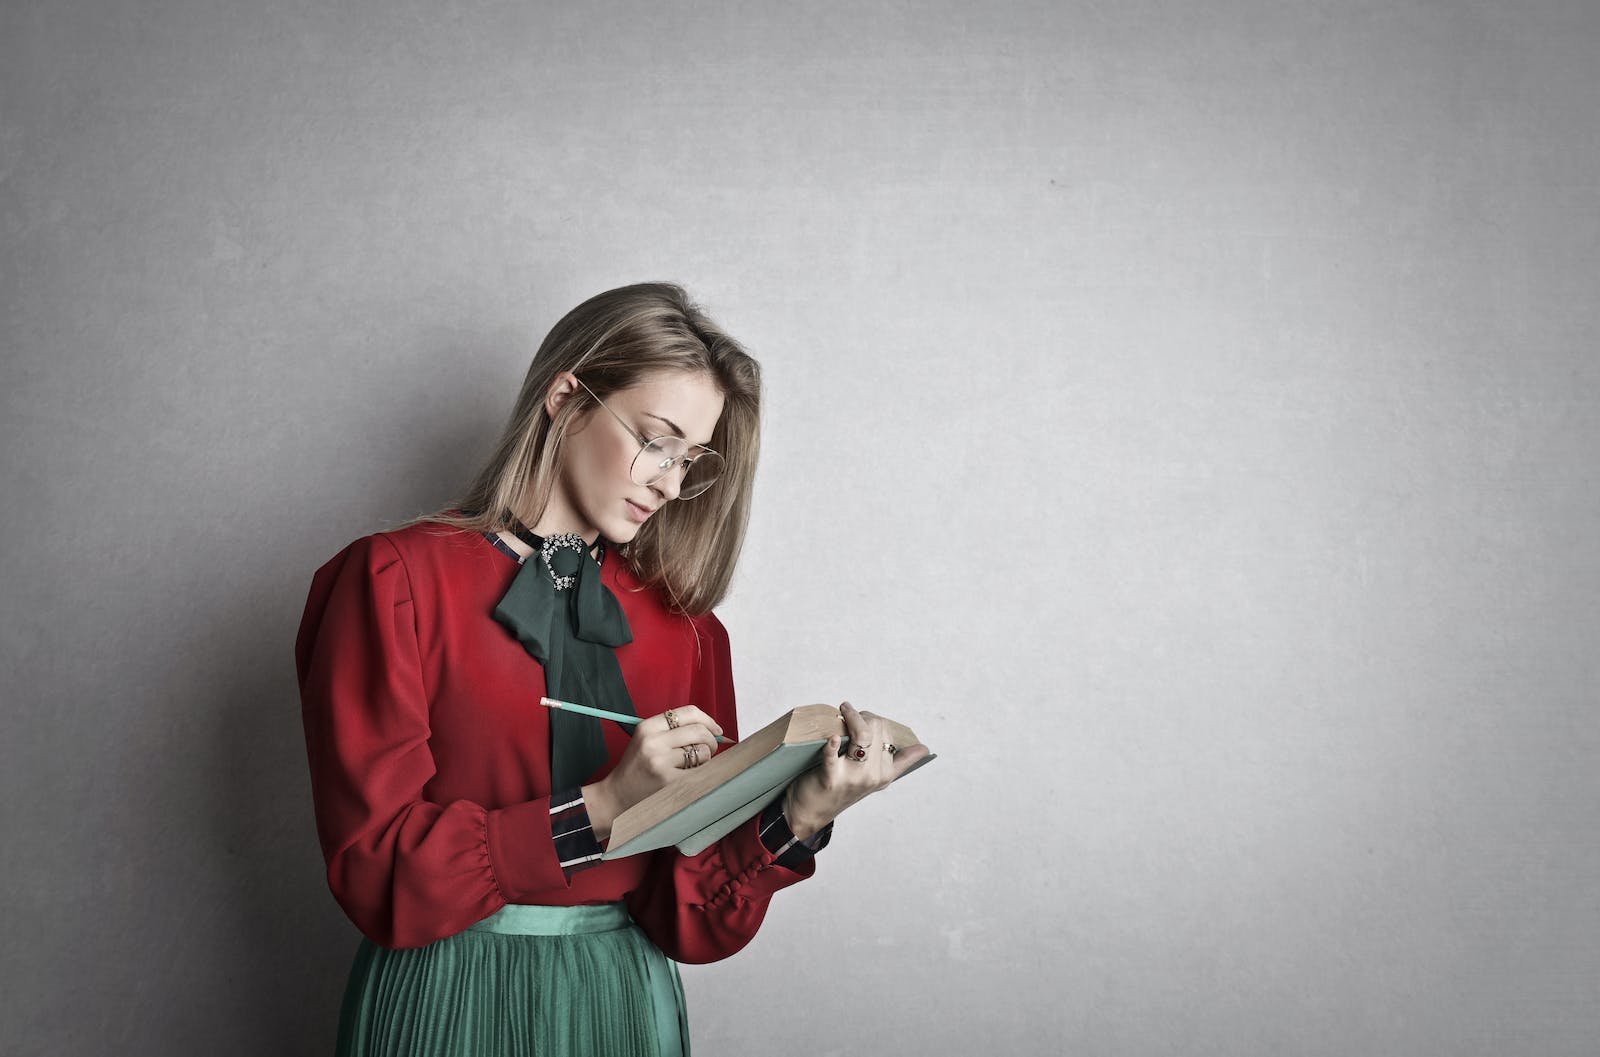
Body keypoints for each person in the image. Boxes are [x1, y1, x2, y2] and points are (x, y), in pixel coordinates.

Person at [294, 282, 930, 1057]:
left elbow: (685, 921)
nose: (669, 482)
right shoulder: (393, 581)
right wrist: (601, 806)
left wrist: (801, 813)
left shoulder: (693, 636)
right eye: (657, 440)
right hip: (445, 992)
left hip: (622, 1000)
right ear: (567, 396)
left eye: (690, 460)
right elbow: (376, 872)